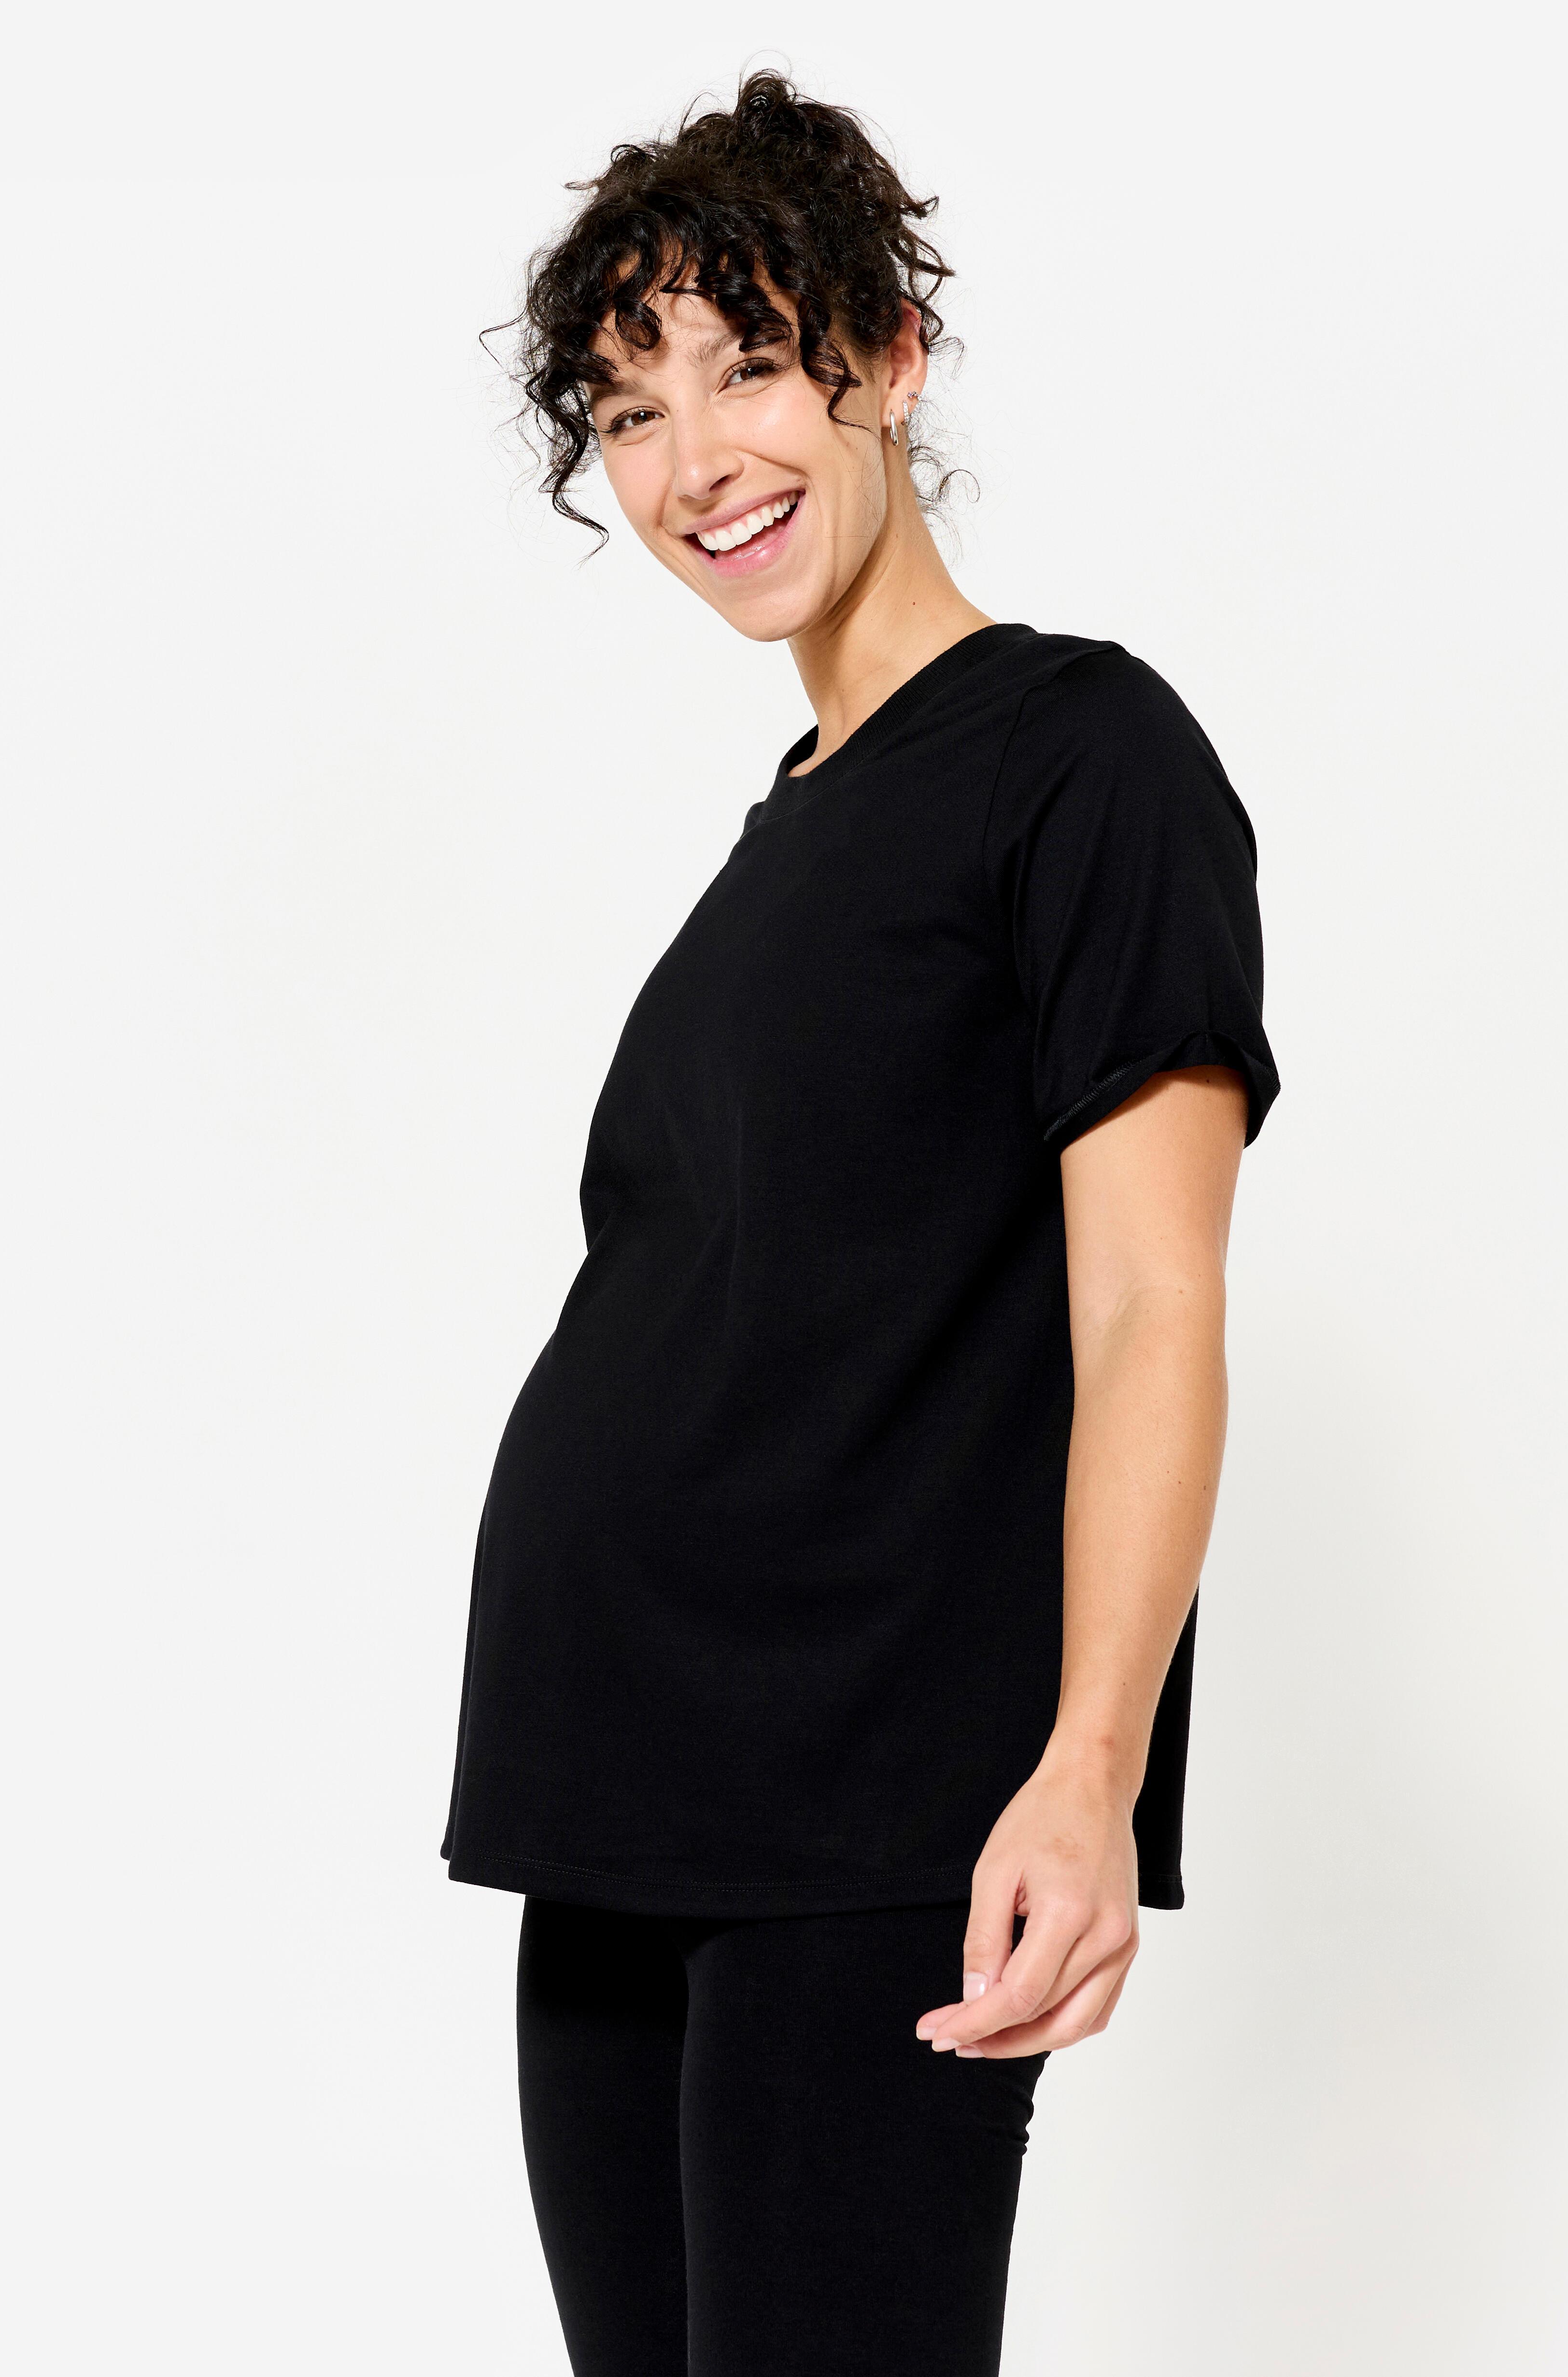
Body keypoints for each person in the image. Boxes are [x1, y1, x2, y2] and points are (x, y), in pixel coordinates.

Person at [442, 71, 1280, 2377]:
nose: (691, 457)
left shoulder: (1079, 756)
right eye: (629, 410)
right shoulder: (793, 820)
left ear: (890, 356)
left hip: (865, 1787)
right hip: (615, 1788)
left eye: (746, 364)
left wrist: (1089, 1766)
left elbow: (1151, 1297)